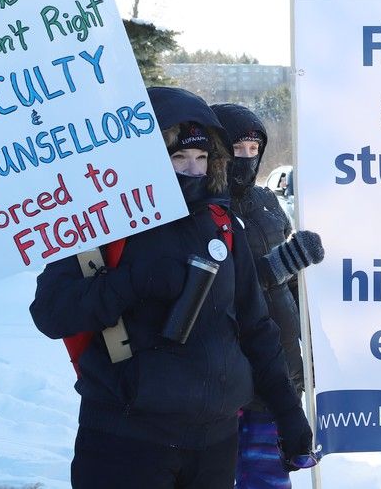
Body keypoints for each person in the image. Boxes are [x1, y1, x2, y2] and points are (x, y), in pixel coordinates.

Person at [30, 86, 312, 488]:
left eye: (202, 158)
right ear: (149, 157)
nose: (193, 170)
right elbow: (51, 312)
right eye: (178, 157)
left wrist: (288, 412)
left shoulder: (222, 224)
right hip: (127, 441)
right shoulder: (105, 223)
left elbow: (256, 327)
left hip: (214, 443)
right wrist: (133, 282)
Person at [211, 103, 323, 489]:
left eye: (253, 149)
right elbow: (217, 289)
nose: (246, 158)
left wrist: (312, 348)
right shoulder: (203, 208)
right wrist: (278, 266)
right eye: (236, 148)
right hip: (235, 382)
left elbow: (291, 287)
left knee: (270, 480)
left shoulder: (267, 202)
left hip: (283, 375)